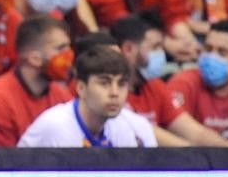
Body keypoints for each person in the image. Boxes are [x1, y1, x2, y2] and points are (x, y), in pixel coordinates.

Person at [110, 14, 228, 147]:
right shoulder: (110, 92)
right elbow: (145, 133)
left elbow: (196, 133)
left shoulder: (155, 86)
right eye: (155, 47)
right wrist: (196, 155)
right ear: (128, 49)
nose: (161, 54)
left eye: (161, 47)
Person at [19, 46, 158, 148]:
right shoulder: (55, 126)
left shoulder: (134, 127)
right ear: (81, 88)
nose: (115, 93)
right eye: (104, 83)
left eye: (121, 84)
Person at [0, 14, 74, 147]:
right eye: (61, 49)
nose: (69, 55)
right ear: (34, 58)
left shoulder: (62, 95)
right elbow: (2, 162)